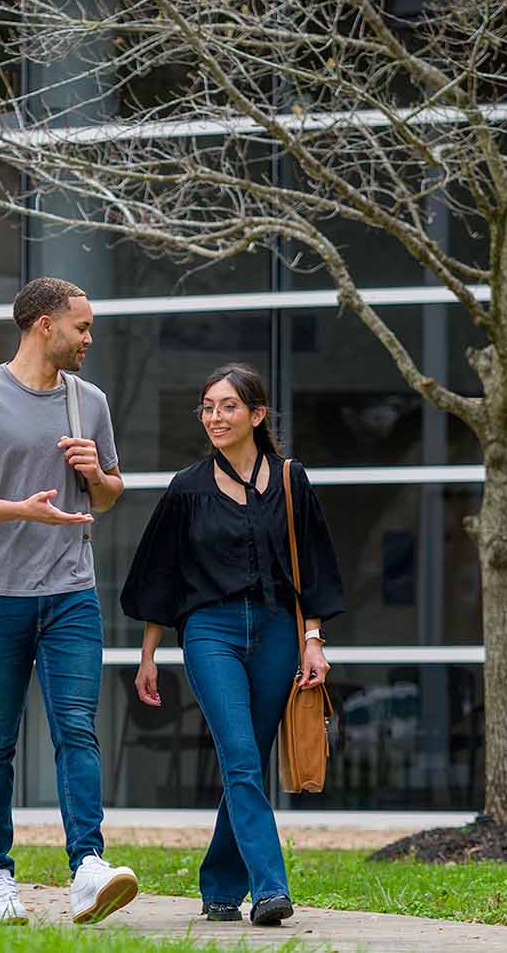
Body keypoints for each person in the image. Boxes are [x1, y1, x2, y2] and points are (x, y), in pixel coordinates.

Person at [0, 277, 140, 925]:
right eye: (81, 326)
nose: (88, 339)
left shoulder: (89, 401)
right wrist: (18, 509)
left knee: (76, 727)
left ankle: (87, 867)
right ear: (44, 325)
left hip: (71, 590)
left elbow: (108, 495)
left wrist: (96, 476)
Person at [119, 362, 345, 927]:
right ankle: (271, 889)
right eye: (208, 407)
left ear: (256, 414)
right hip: (209, 631)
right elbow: (161, 576)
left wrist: (313, 640)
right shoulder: (188, 488)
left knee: (250, 761)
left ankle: (219, 887)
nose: (215, 417)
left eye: (227, 407)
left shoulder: (291, 481)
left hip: (275, 633)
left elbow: (313, 566)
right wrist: (148, 655)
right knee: (240, 758)